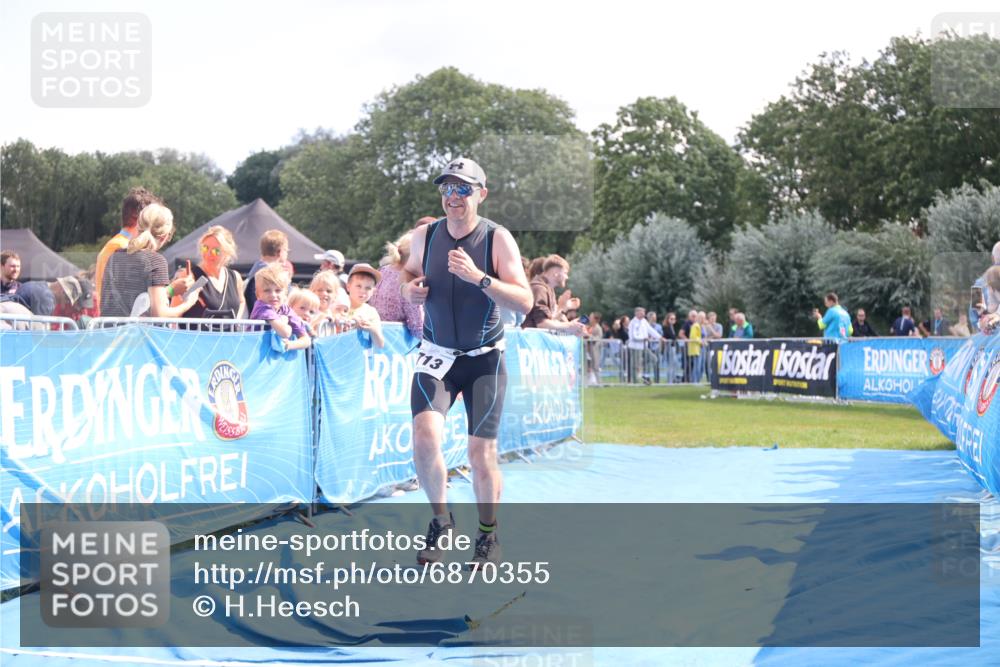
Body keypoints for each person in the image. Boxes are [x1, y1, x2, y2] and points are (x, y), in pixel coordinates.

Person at [399, 157, 532, 567]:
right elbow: (406, 275)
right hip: (436, 354)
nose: (453, 198)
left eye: (462, 189)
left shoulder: (497, 238)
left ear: (481, 193)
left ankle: (488, 536)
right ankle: (442, 521)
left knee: (480, 453)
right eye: (446, 189)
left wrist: (480, 278)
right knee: (424, 436)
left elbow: (525, 301)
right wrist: (411, 291)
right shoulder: (426, 235)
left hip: (483, 359)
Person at [100, 204, 200, 318]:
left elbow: (127, 299)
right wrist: (189, 303)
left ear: (138, 227)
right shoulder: (155, 261)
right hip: (136, 335)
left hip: (107, 332)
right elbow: (160, 314)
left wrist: (170, 290)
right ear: (165, 236)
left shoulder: (114, 257)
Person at [94, 187, 164, 314]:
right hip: (123, 329)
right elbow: (128, 298)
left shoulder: (117, 244)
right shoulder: (120, 247)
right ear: (141, 217)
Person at [183, 226, 246, 320]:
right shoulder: (190, 276)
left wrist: (236, 321)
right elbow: (176, 310)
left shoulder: (235, 277)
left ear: (227, 252)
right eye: (205, 248)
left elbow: (241, 301)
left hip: (229, 334)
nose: (208, 253)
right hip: (198, 334)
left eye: (215, 250)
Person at [371, 231, 424, 338]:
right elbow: (418, 328)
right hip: (396, 344)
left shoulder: (383, 271)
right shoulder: (411, 282)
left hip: (375, 338)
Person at [250, 263, 311, 351]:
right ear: (258, 295)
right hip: (254, 354)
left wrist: (289, 345)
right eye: (267, 290)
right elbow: (285, 333)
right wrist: (284, 320)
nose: (273, 295)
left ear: (285, 293)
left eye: (278, 290)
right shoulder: (262, 307)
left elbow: (307, 340)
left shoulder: (285, 309)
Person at [521, 255, 586, 335]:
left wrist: (565, 309)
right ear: (556, 273)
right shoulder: (539, 289)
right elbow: (542, 324)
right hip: (531, 342)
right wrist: (569, 326)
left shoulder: (547, 289)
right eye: (565, 273)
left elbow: (549, 320)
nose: (567, 277)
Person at [244, 230, 290, 308]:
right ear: (280, 252)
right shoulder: (268, 275)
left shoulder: (255, 271)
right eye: (286, 250)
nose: (287, 254)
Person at [344, 263, 385, 349]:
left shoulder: (371, 312)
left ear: (373, 291)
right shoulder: (340, 303)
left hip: (358, 357)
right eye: (358, 286)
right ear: (348, 287)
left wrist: (372, 329)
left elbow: (380, 344)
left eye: (368, 288)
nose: (362, 291)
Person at [309, 270, 348, 336]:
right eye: (320, 290)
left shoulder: (334, 315)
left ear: (335, 295)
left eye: (329, 291)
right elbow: (305, 330)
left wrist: (341, 326)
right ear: (312, 292)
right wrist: (319, 319)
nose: (324, 293)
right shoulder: (308, 312)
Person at [627, 306, 660, 383]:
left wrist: (660, 337)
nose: (644, 314)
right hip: (635, 347)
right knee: (635, 365)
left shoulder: (644, 321)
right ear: (636, 313)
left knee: (654, 359)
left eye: (644, 312)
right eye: (642, 313)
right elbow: (633, 336)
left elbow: (651, 330)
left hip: (643, 346)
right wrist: (644, 338)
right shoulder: (633, 323)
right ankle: (635, 382)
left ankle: (645, 376)